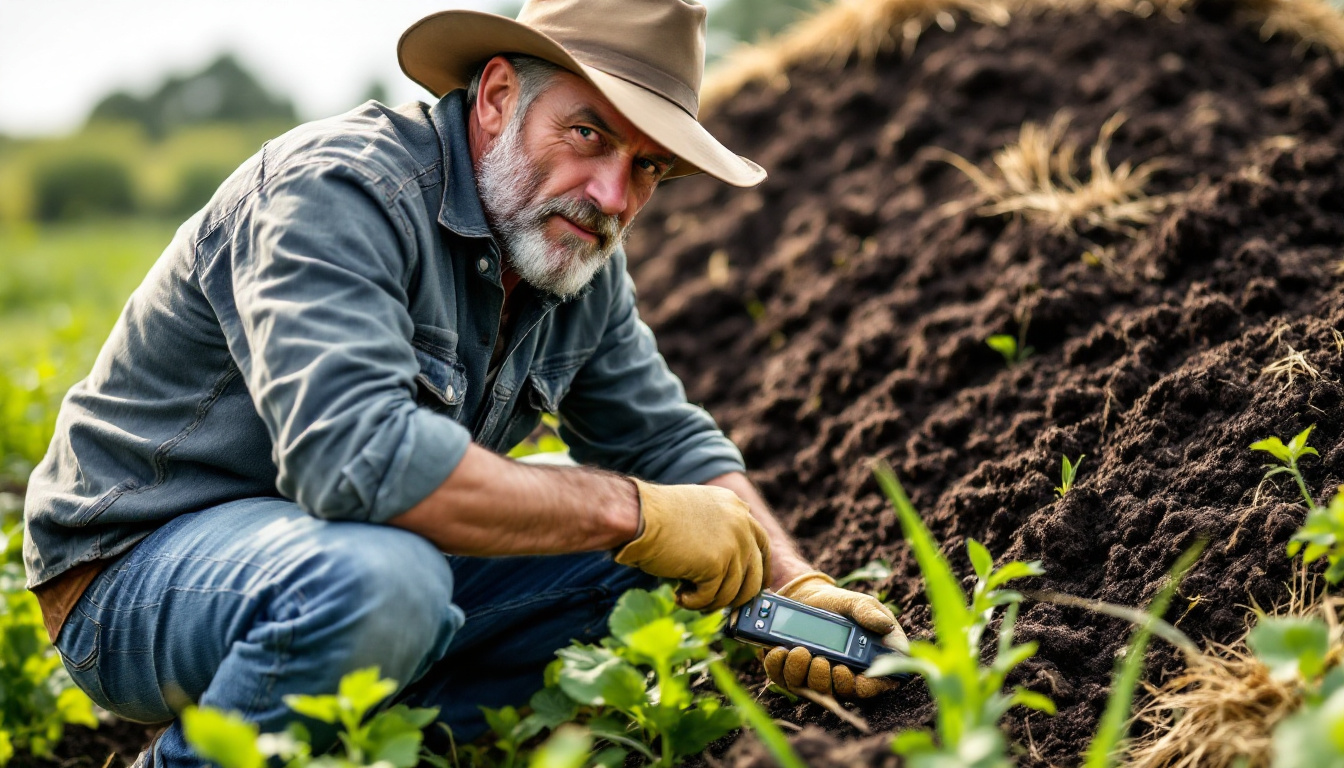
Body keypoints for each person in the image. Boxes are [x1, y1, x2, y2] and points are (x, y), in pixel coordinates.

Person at [22, 0, 906, 765]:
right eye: (589, 133)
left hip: (331, 553)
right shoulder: (339, 190)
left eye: (647, 166)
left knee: (679, 571)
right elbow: (361, 465)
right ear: (494, 98)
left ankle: (370, 739)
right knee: (389, 580)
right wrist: (637, 512)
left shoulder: (573, 255)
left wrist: (787, 585)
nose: (610, 194)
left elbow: (665, 441)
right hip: (131, 573)